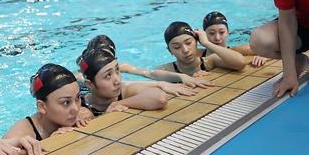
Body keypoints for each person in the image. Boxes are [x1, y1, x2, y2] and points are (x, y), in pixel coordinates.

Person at [81, 34, 211, 89]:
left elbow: (148, 73)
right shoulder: (81, 76)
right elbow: (122, 84)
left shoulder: (122, 66)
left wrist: (181, 76)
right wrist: (159, 84)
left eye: (108, 57)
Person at [3, 64, 91, 141]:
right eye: (66, 102)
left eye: (77, 98)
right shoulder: (19, 136)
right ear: (42, 107)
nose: (76, 109)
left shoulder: (83, 115)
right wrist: (51, 143)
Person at [79, 48, 171, 115]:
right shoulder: (79, 105)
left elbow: (160, 98)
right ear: (90, 84)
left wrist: (119, 103)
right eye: (108, 75)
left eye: (117, 70)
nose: (117, 80)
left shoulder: (125, 92)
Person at [158, 21, 247, 76]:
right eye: (177, 47)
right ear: (170, 51)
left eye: (188, 43)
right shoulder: (165, 69)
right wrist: (183, 78)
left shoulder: (209, 61)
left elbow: (241, 63)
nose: (185, 50)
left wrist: (206, 43)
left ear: (196, 42)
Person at [202, 11, 267, 67]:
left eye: (222, 32)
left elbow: (269, 48)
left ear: (228, 32)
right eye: (212, 33)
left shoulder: (239, 50)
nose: (217, 38)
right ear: (204, 34)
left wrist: (265, 56)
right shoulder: (199, 54)